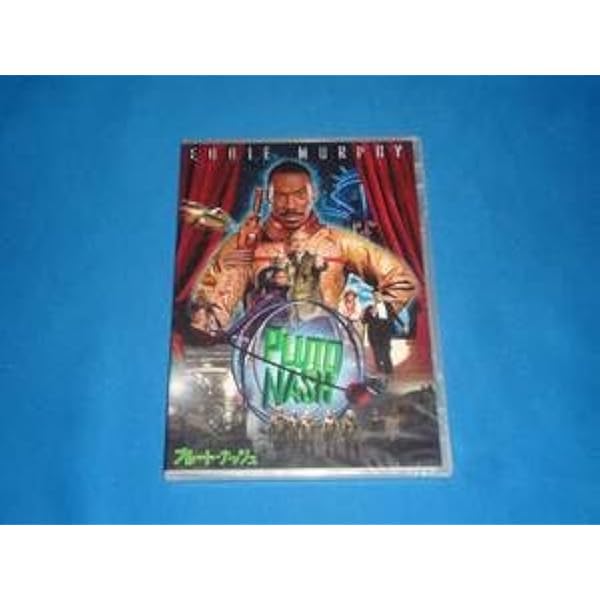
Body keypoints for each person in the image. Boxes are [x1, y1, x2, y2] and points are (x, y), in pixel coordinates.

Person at [186, 160, 418, 333]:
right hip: (262, 359)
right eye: (281, 196)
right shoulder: (244, 243)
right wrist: (238, 259)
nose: (290, 205)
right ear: (268, 197)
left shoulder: (340, 242)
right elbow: (206, 319)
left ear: (312, 195)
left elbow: (400, 280)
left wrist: (375, 315)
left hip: (325, 356)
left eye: (299, 195)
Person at [363, 292, 396, 374]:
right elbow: (364, 321)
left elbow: (393, 316)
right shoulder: (369, 308)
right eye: (375, 296)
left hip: (385, 332)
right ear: (373, 298)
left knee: (386, 349)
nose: (377, 297)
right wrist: (372, 314)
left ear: (381, 296)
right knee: (377, 351)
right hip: (374, 333)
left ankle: (388, 368)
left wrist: (403, 325)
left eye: (379, 296)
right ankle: (380, 368)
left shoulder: (388, 306)